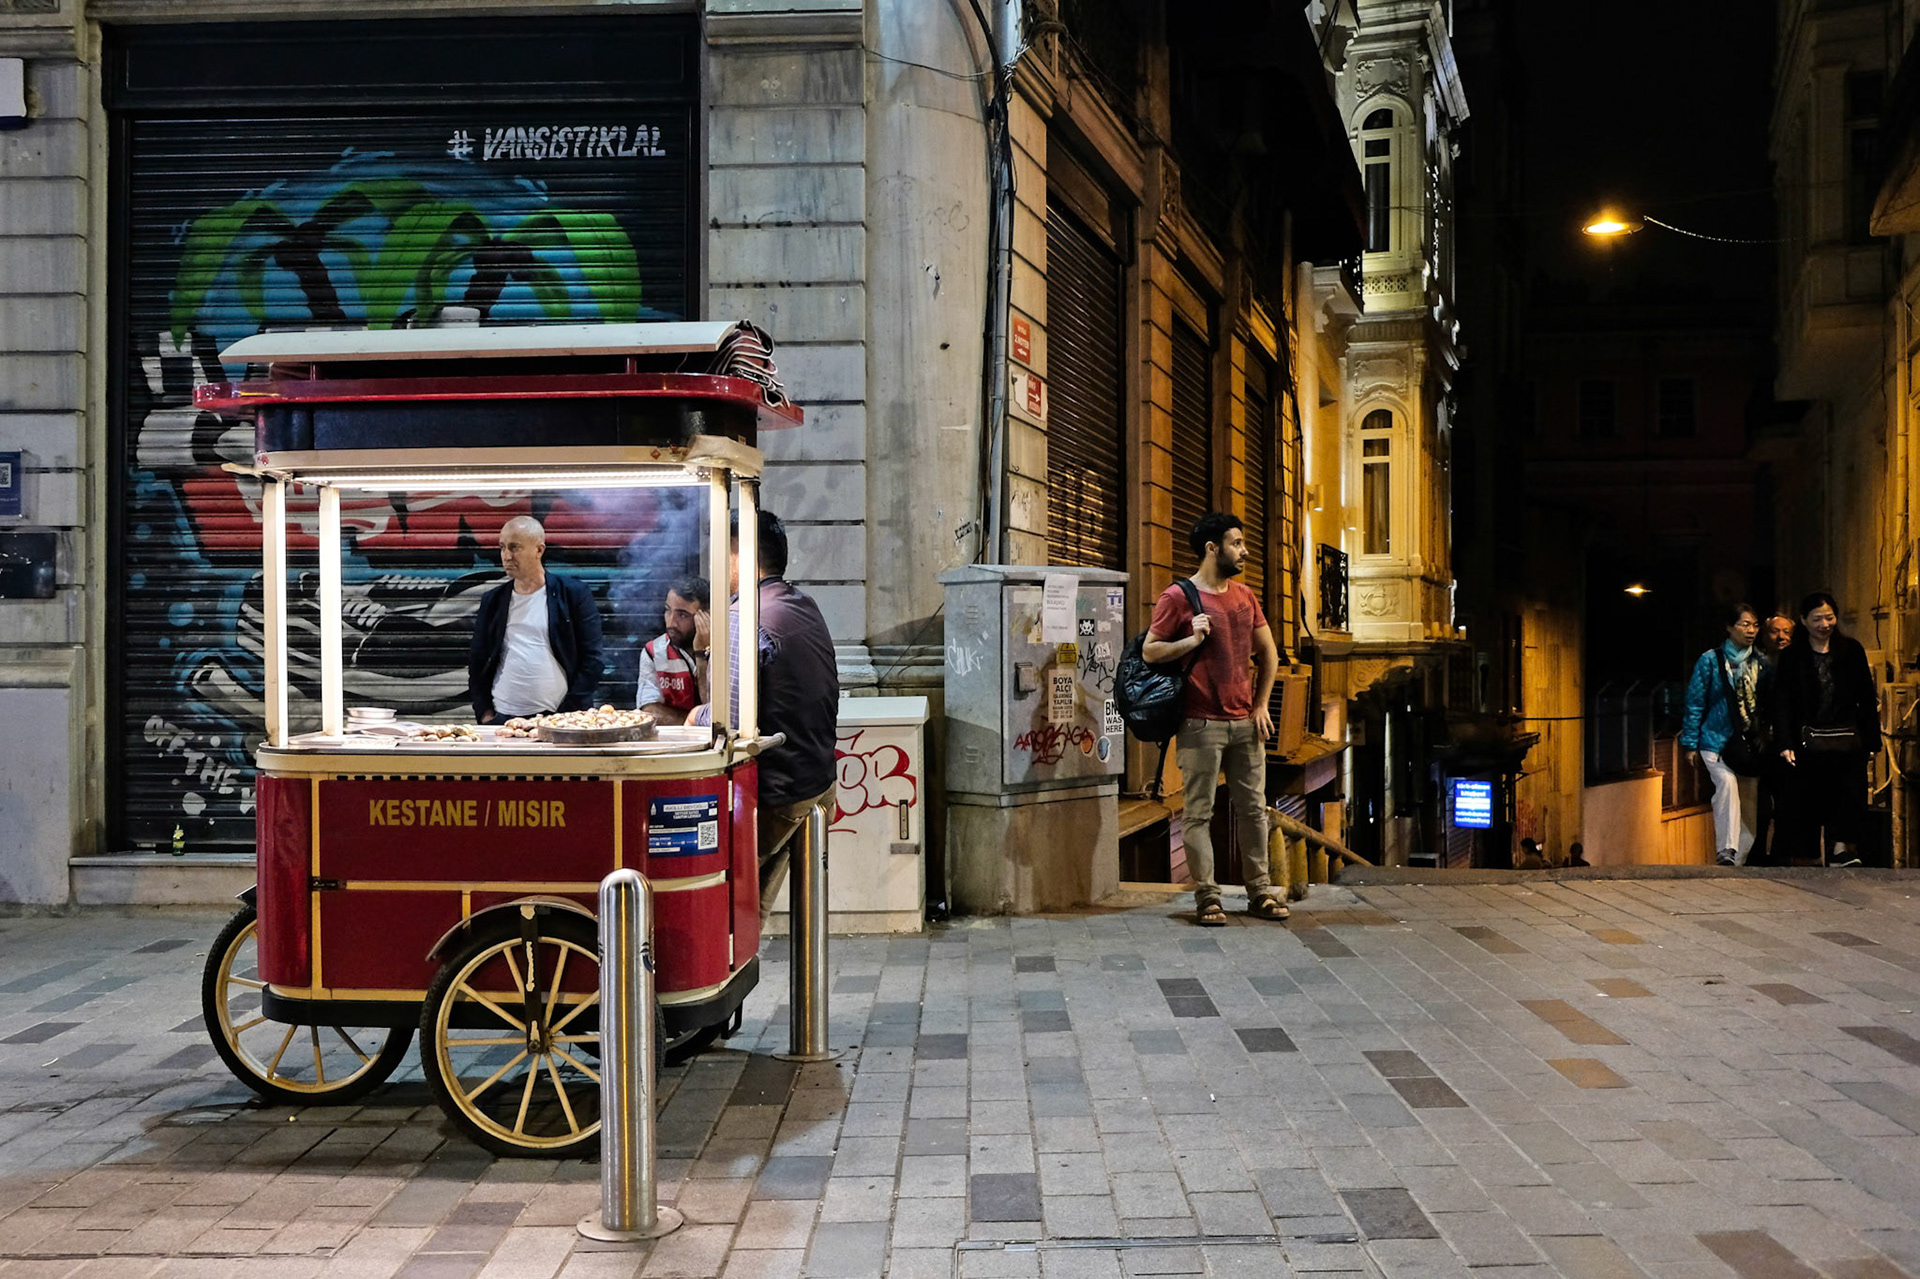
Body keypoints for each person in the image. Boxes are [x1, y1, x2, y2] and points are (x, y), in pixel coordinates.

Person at [1143, 512, 1286, 926]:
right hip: (1200, 723)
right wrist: (1191, 639)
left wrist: (1261, 705)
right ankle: (1208, 897)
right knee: (1198, 813)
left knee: (1254, 810)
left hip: (1246, 723)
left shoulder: (1244, 596)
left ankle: (1260, 892)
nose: (1244, 551)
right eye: (1236, 543)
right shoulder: (1179, 597)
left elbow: (1269, 654)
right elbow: (1151, 651)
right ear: (1212, 548)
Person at [694, 509, 839, 915]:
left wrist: (694, 718)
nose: (714, 568)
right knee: (748, 909)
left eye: (720, 555)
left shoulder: (744, 616)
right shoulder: (801, 603)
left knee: (726, 913)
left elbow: (729, 724)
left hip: (779, 793)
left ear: (741, 555)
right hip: (817, 778)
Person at [1773, 592, 1879, 866]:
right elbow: (1782, 701)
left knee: (1847, 794)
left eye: (1829, 617)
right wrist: (1784, 742)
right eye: (1817, 618)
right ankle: (1807, 855)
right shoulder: (1792, 656)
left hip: (1846, 740)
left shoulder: (1852, 650)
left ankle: (1842, 849)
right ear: (1803, 621)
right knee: (1805, 798)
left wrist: (1871, 740)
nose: (1825, 624)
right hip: (1805, 741)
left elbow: (1866, 696)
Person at [467, 515, 604, 723]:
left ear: (539, 550)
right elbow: (477, 660)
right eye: (502, 547)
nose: (506, 556)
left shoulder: (573, 594)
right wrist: (485, 713)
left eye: (515, 548)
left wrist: (570, 713)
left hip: (562, 720)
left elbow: (593, 659)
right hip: (503, 719)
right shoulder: (493, 600)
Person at [1681, 603, 1766, 866]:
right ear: (1729, 627)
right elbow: (1695, 702)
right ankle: (1726, 850)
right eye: (1744, 624)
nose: (1751, 630)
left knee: (1749, 800)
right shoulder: (1710, 660)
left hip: (1748, 744)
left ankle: (1740, 856)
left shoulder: (1761, 662)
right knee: (1727, 786)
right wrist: (1690, 744)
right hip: (1715, 740)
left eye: (1754, 625)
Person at [1750, 610, 1795, 865]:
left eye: (1787, 631)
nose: (1781, 637)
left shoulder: (1796, 663)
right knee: (1760, 805)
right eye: (1775, 631)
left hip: (1787, 743)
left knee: (1786, 803)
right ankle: (1757, 854)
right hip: (1761, 743)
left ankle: (1782, 856)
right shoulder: (1755, 663)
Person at [636, 575, 711, 726]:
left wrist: (701, 654)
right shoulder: (654, 652)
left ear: (706, 616)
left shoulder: (726, 648)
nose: (671, 622)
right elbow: (649, 710)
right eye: (668, 611)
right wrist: (697, 722)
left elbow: (716, 708)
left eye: (682, 615)